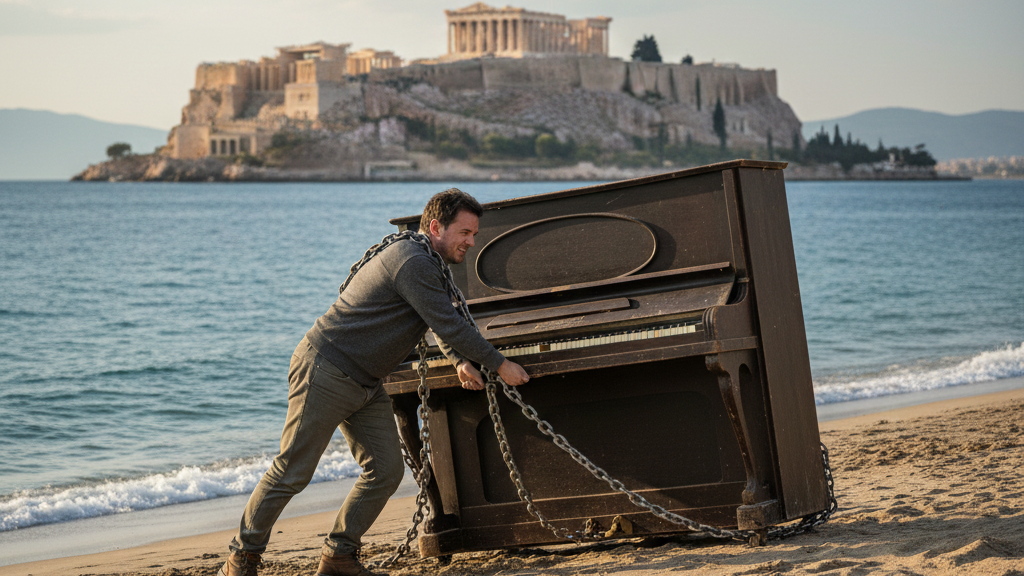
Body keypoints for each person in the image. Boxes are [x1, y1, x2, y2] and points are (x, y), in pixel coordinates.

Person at [218, 189, 530, 576]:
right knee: (292, 471)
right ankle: (241, 558)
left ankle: (338, 557)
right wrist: (499, 364)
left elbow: (436, 319)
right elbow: (447, 322)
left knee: (384, 470)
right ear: (435, 227)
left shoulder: (426, 261)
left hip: (364, 383)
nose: (471, 241)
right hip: (326, 370)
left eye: (474, 234)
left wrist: (458, 360)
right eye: (465, 232)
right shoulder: (412, 261)